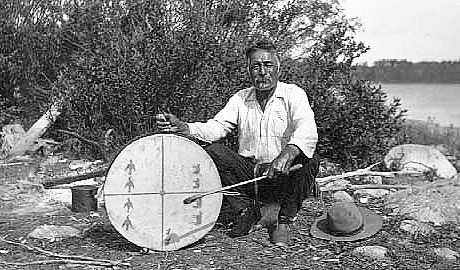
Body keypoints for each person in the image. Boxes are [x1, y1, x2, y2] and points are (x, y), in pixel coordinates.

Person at [155, 39, 319, 246]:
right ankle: (247, 209)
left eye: (267, 65)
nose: (262, 72)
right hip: (253, 175)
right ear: (249, 71)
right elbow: (217, 127)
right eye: (255, 66)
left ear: (278, 68)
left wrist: (287, 155)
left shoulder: (293, 94)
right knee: (213, 151)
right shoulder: (241, 98)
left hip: (285, 174)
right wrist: (185, 127)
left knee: (311, 159)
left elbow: (307, 129)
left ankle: (284, 221)